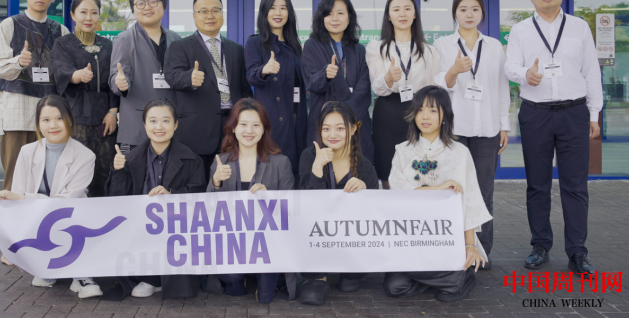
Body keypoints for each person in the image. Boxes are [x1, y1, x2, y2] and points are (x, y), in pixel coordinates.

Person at [504, 0, 603, 275]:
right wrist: (525, 75)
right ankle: (540, 245)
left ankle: (578, 251)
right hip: (536, 114)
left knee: (575, 186)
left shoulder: (579, 27)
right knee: (537, 185)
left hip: (574, 112)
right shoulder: (520, 30)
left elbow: (591, 71)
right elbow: (510, 66)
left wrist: (594, 113)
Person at [386, 86, 491, 302]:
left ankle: (456, 277)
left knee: (449, 287)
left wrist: (470, 246)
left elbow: (468, 200)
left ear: (445, 116)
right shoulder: (402, 151)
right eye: (420, 109)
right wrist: (436, 189)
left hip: (447, 238)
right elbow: (398, 192)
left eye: (433, 110)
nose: (425, 116)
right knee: (394, 287)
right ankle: (445, 278)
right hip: (412, 236)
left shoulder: (459, 152)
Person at [0, 94, 102, 299]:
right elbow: (17, 198)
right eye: (46, 119)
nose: (53, 125)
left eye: (59, 118)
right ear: (38, 123)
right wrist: (12, 244)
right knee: (42, 275)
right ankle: (47, 266)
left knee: (75, 220)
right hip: (39, 220)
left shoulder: (86, 155)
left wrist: (23, 197)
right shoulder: (27, 151)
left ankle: (82, 274)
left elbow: (66, 201)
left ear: (70, 120)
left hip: (71, 218)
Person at [432, 0, 509, 267]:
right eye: (463, 9)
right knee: (452, 190)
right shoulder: (442, 45)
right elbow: (438, 84)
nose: (469, 14)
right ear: (455, 13)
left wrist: (503, 125)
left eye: (475, 9)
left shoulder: (494, 46)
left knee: (484, 191)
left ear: (482, 14)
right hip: (454, 129)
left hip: (487, 128)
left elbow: (501, 87)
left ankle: (482, 252)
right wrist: (454, 70)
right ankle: (453, 249)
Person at [104, 98, 206, 301]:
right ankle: (147, 276)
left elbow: (199, 197)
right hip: (139, 228)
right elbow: (116, 202)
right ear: (144, 125)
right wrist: (117, 171)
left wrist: (172, 195)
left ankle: (156, 278)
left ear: (175, 125)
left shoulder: (192, 160)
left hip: (174, 229)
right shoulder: (129, 159)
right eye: (152, 121)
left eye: (166, 121)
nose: (159, 127)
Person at [206, 98, 295, 303]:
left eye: (256, 125)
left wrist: (270, 197)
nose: (249, 131)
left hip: (267, 243)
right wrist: (216, 182)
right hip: (232, 242)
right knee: (233, 279)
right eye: (243, 124)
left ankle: (258, 278)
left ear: (264, 130)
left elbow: (291, 210)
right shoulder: (222, 161)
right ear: (233, 128)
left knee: (265, 298)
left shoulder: (281, 163)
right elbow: (208, 213)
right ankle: (239, 279)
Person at [0, 0, 70, 192]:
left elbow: (65, 72)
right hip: (17, 109)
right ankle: (12, 213)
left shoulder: (60, 30)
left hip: (49, 113)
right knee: (15, 173)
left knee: (49, 173)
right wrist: (18, 61)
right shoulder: (9, 25)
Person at [164, 0, 253, 181]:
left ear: (222, 13)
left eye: (215, 10)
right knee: (198, 183)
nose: (210, 16)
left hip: (232, 126)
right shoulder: (181, 46)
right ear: (194, 16)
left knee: (231, 181)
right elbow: (171, 76)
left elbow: (244, 88)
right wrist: (189, 78)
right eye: (203, 11)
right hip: (197, 129)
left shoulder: (236, 49)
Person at [298, 102, 378, 306]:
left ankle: (349, 271)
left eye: (340, 128)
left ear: (354, 128)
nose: (332, 134)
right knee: (312, 294)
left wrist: (365, 191)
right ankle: (319, 277)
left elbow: (374, 216)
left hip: (350, 240)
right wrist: (317, 169)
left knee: (349, 285)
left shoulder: (365, 167)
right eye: (326, 128)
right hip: (317, 237)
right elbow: (305, 208)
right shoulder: (309, 156)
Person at [366, 0, 440, 189]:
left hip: (421, 111)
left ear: (415, 14)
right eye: (396, 9)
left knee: (421, 167)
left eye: (407, 9)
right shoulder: (377, 47)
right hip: (388, 111)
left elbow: (435, 88)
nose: (402, 14)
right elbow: (377, 87)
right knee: (388, 167)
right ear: (389, 16)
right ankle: (391, 206)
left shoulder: (430, 50)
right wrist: (388, 78)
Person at [52, 0, 119, 197]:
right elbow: (60, 71)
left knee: (104, 166)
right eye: (83, 12)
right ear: (73, 15)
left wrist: (113, 111)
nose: (88, 18)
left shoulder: (108, 45)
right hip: (75, 113)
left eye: (94, 12)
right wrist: (77, 75)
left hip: (103, 115)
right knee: (76, 167)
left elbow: (114, 79)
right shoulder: (63, 44)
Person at [109, 0, 181, 153]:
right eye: (140, 3)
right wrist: (120, 83)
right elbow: (116, 76)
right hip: (137, 127)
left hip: (169, 127)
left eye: (153, 1)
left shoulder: (176, 39)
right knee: (134, 170)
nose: (147, 7)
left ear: (164, 5)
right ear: (133, 9)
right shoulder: (124, 39)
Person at [301, 0, 374, 164]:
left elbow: (363, 88)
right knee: (323, 170)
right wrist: (325, 75)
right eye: (329, 13)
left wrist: (345, 117)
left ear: (349, 18)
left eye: (340, 13)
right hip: (324, 123)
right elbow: (311, 82)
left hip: (354, 123)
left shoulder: (359, 49)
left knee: (356, 170)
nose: (334, 18)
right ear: (322, 18)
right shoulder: (311, 46)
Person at [245, 0, 308, 184]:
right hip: (272, 118)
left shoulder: (295, 45)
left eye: (283, 8)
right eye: (272, 8)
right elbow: (251, 75)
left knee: (295, 172)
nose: (278, 13)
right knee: (272, 172)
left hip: (296, 117)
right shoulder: (255, 42)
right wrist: (264, 70)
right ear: (264, 12)